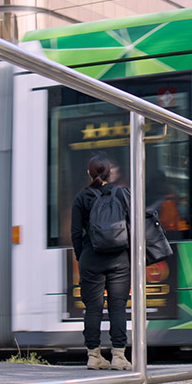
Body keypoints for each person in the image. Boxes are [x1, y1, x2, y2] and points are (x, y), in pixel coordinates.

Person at [70, 154, 132, 370]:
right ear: (109, 173)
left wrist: (82, 256)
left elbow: (76, 233)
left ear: (89, 173)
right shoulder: (123, 194)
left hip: (91, 258)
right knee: (118, 307)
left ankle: (94, 356)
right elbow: (133, 227)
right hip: (119, 260)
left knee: (93, 309)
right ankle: (118, 357)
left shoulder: (81, 198)